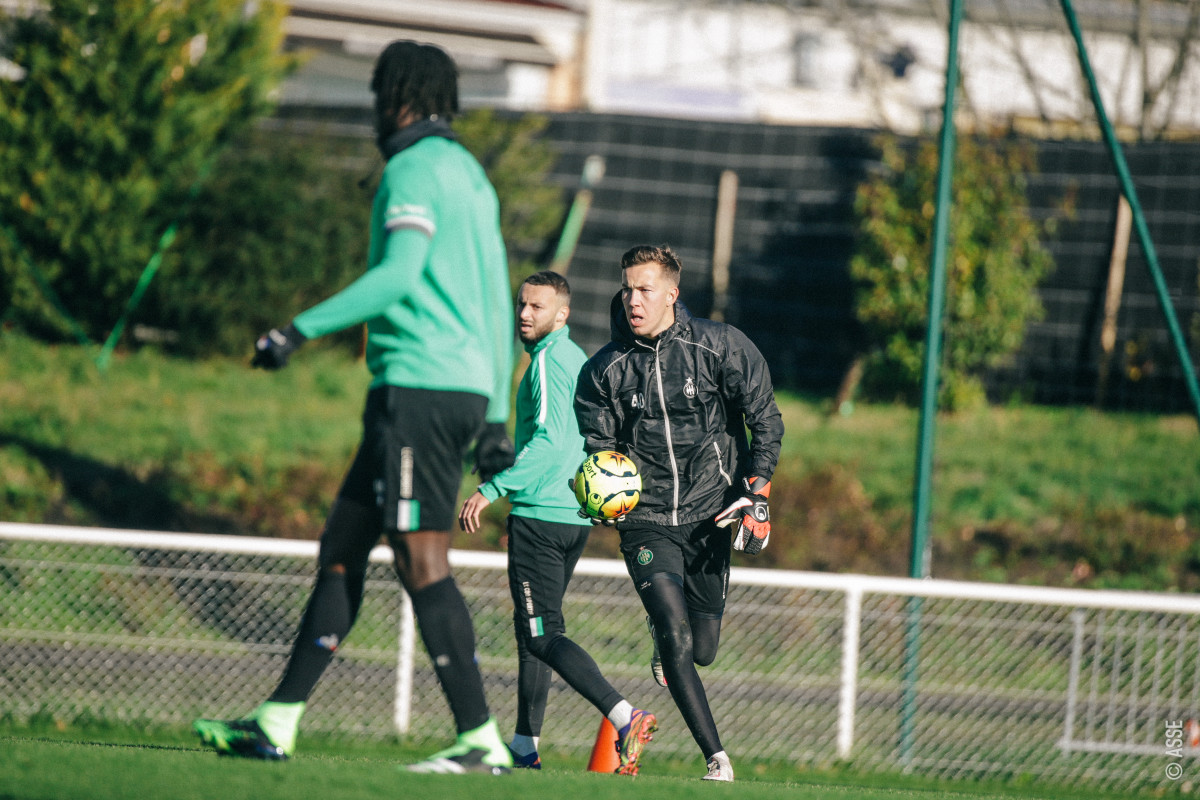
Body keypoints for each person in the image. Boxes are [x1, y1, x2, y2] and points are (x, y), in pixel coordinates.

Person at [193, 40, 518, 775]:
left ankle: (480, 740)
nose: (376, 108)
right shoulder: (471, 174)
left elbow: (399, 274)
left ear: (396, 95)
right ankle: (276, 721)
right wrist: (494, 414)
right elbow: (497, 302)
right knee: (342, 548)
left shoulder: (411, 168)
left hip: (420, 389)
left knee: (420, 558)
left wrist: (296, 329)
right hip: (455, 388)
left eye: (379, 93)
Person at [574, 244, 784, 782]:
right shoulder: (603, 371)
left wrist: (756, 494)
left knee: (703, 647)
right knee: (675, 634)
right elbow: (600, 450)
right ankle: (716, 758)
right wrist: (597, 490)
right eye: (626, 289)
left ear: (672, 292)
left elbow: (765, 420)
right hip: (644, 520)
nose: (632, 300)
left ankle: (670, 646)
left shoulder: (720, 346)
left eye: (644, 290)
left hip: (710, 513)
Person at [458, 271, 658, 776]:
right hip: (571, 516)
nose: (525, 314)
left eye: (538, 307)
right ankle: (524, 748)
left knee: (544, 633)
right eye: (522, 305)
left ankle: (623, 715)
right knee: (534, 631)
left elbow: (547, 442)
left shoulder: (548, 362)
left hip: (544, 516)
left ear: (561, 314)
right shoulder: (577, 359)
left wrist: (494, 488)